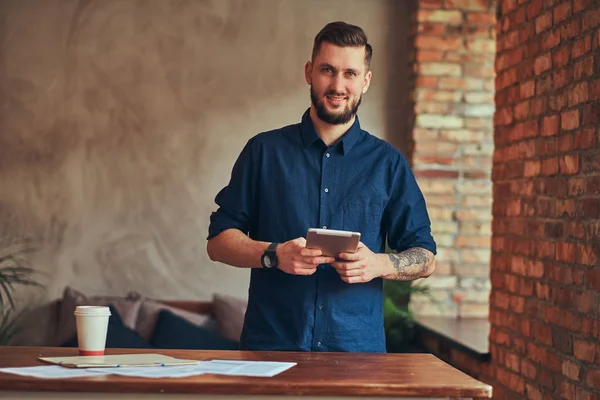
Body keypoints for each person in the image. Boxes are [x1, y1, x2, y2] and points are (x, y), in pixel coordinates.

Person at [207, 21, 436, 353]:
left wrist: (378, 264)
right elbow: (218, 243)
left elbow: (425, 256)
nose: (338, 85)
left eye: (350, 74)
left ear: (366, 81)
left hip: (359, 358)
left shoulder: (388, 163)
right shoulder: (263, 152)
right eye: (328, 70)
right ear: (309, 72)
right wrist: (273, 255)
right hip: (271, 352)